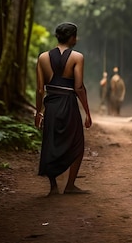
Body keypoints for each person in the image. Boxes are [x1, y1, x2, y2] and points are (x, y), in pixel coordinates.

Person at [35, 22, 92, 195]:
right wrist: (88, 113)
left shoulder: (43, 57)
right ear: (73, 37)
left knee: (51, 142)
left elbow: (39, 89)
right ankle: (70, 185)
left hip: (51, 104)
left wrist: (38, 111)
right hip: (68, 104)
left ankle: (53, 187)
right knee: (77, 143)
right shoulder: (77, 57)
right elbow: (79, 87)